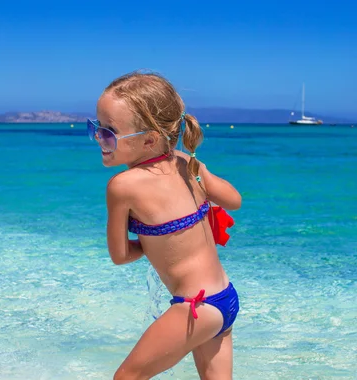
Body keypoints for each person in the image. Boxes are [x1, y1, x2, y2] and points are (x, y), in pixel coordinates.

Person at [87, 71, 242, 380]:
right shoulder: (186, 162)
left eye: (108, 132)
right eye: (96, 127)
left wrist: (151, 244)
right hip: (224, 298)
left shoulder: (122, 186)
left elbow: (119, 255)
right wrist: (201, 175)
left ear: (149, 139)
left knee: (127, 377)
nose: (97, 137)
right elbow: (234, 200)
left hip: (195, 307)